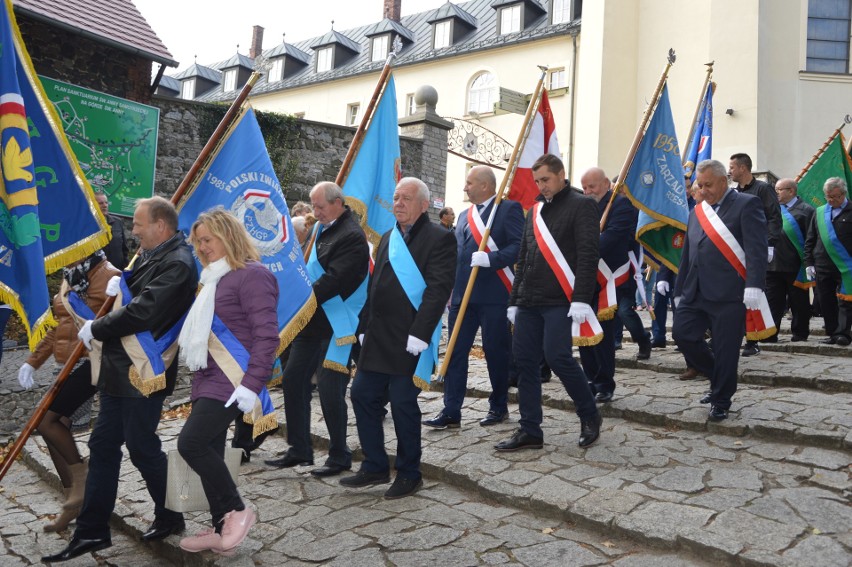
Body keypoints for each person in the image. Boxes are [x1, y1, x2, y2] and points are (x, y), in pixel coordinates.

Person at [43, 196, 198, 563]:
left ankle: (171, 514)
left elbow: (144, 311)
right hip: (119, 370)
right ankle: (92, 531)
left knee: (142, 447)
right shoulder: (149, 255)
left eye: (140, 224)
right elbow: (133, 296)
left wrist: (97, 327)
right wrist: (120, 285)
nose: (134, 231)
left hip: (144, 371)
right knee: (103, 445)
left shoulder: (177, 263)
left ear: (160, 225)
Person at [341, 177, 455, 499]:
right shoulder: (389, 236)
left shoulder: (440, 238)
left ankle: (409, 472)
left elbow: (438, 290)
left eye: (406, 198)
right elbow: (373, 285)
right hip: (378, 337)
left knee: (404, 403)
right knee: (362, 393)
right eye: (396, 197)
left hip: (410, 339)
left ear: (423, 205)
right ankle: (375, 465)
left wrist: (421, 333)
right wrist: (363, 324)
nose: (399, 203)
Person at [176, 209, 279, 553]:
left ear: (228, 236)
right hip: (208, 377)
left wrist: (251, 384)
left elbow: (267, 336)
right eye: (198, 242)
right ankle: (221, 524)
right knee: (211, 450)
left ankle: (238, 509)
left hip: (233, 380)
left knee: (190, 444)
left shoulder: (252, 275)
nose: (202, 247)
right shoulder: (212, 279)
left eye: (208, 239)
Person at [495, 155, 602, 451]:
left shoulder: (583, 205)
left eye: (546, 179)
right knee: (525, 362)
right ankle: (530, 429)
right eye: (538, 181)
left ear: (561, 174)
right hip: (529, 299)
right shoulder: (535, 211)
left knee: (558, 357)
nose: (541, 186)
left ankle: (589, 414)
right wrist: (515, 300)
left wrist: (581, 299)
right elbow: (524, 257)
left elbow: (588, 255)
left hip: (561, 299)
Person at [265, 182, 369, 477]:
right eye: (313, 206)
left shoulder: (351, 236)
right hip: (312, 322)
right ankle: (299, 448)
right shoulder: (322, 228)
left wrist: (300, 298)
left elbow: (336, 280)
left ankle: (339, 455)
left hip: (337, 323)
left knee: (329, 389)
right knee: (294, 380)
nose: (316, 212)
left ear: (338, 203)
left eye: (320, 206)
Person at [18, 251, 119, 532]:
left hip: (91, 363)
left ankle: (81, 485)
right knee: (51, 428)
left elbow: (125, 322)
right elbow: (59, 327)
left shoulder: (109, 275)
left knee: (48, 422)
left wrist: (123, 295)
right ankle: (73, 499)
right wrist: (32, 361)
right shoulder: (70, 277)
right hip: (65, 364)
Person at [423, 166, 524, 429]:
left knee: (495, 352)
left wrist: (492, 258)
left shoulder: (508, 209)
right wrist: (449, 288)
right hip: (463, 296)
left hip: (494, 295)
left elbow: (519, 245)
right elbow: (457, 254)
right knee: (456, 351)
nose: (465, 187)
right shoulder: (466, 214)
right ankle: (451, 410)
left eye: (469, 183)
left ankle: (499, 406)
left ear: (486, 186)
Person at [673, 160, 767, 421]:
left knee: (726, 348)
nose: (703, 191)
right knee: (683, 335)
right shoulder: (697, 212)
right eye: (699, 186)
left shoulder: (746, 205)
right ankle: (718, 377)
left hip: (729, 292)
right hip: (695, 290)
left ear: (723, 181)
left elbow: (756, 248)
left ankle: (721, 398)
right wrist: (679, 288)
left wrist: (755, 285)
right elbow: (688, 254)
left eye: (708, 185)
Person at [578, 167, 647, 404]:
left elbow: (612, 238)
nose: (587, 192)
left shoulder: (620, 205)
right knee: (584, 331)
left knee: (604, 335)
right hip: (586, 279)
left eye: (592, 187)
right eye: (584, 187)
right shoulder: (582, 206)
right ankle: (590, 378)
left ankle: (605, 383)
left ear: (606, 183)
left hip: (610, 280)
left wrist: (581, 250)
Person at [729, 153, 781, 356]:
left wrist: (769, 245)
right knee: (736, 296)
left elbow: (774, 217)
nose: (730, 170)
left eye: (732, 167)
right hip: (738, 250)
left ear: (743, 168)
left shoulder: (763, 189)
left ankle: (754, 340)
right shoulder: (733, 193)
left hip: (757, 249)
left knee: (755, 295)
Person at [766, 178, 815, 342]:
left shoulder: (806, 210)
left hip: (796, 265)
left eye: (779, 189)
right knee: (773, 301)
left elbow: (811, 238)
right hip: (772, 264)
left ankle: (800, 333)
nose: (776, 192)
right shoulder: (772, 208)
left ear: (791, 191)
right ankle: (770, 334)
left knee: (799, 302)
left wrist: (809, 262)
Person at [804, 177, 852, 346]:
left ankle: (843, 334)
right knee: (826, 300)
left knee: (845, 300)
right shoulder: (819, 212)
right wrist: (808, 262)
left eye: (835, 197)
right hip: (822, 265)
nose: (831, 200)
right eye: (828, 196)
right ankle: (832, 333)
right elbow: (811, 239)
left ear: (843, 193)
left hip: (846, 266)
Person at [94, 191, 129, 270]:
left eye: (106, 203)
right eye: (101, 203)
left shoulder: (117, 222)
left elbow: (124, 249)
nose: (105, 205)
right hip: (98, 274)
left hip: (117, 272)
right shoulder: (89, 225)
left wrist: (125, 267)